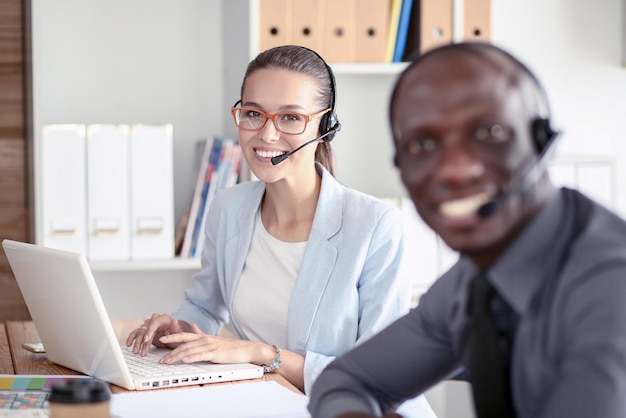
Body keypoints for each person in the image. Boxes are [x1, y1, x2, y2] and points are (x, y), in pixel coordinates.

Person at [308, 41, 626, 418]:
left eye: (490, 133)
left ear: (542, 142)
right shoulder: (474, 282)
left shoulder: (610, 291)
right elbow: (345, 381)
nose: (454, 169)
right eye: (422, 144)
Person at [126, 45, 434, 416]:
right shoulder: (229, 208)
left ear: (325, 126)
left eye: (290, 118)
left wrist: (262, 354)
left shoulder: (375, 226)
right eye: (253, 113)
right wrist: (176, 328)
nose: (267, 134)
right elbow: (205, 307)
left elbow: (381, 376)